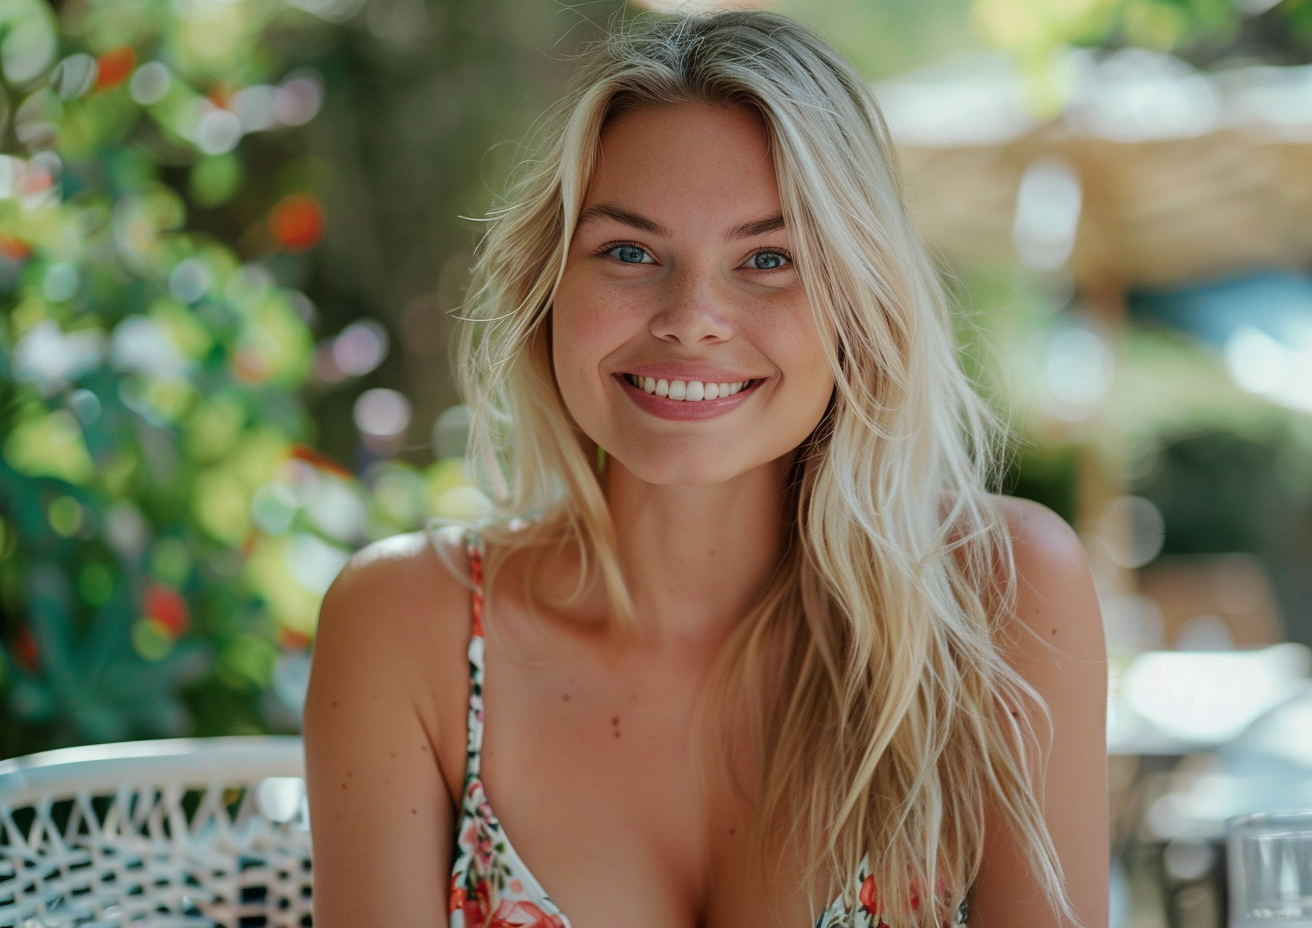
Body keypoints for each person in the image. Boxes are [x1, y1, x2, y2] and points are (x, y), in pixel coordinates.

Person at [303, 10, 1108, 928]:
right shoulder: (412, 627)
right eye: (630, 252)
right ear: (548, 286)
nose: (693, 317)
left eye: (769, 259)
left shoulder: (996, 597)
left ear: (860, 302)